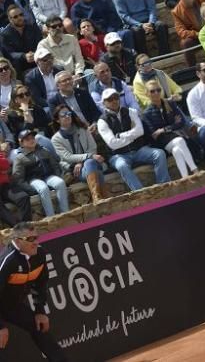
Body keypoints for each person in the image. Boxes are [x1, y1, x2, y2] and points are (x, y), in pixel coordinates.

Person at [0, 222, 68, 360]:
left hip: (12, 306)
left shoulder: (39, 254)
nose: (36, 243)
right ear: (18, 241)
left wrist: (40, 311)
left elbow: (41, 284)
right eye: (30, 239)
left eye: (36, 237)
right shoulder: (7, 261)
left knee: (40, 329)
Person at [51, 103, 110, 203]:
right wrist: (88, 157)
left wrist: (82, 162)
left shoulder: (82, 129)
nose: (67, 116)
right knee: (93, 166)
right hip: (75, 171)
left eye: (68, 113)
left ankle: (98, 198)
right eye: (63, 115)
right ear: (57, 120)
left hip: (90, 165)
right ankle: (103, 196)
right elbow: (68, 157)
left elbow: (93, 148)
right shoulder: (56, 139)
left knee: (89, 163)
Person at [141, 83, 199, 178]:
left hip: (174, 137)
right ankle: (195, 170)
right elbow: (154, 134)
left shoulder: (170, 104)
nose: (156, 93)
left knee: (176, 150)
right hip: (161, 143)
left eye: (158, 90)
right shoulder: (146, 114)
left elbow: (181, 122)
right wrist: (172, 125)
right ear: (147, 94)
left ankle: (185, 177)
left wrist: (163, 129)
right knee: (179, 141)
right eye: (152, 91)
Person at [12, 129, 69, 218]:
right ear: (21, 143)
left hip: (48, 176)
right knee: (43, 188)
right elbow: (18, 178)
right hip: (33, 180)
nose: (31, 140)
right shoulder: (19, 158)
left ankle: (65, 213)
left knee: (60, 182)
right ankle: (51, 217)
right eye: (27, 139)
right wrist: (31, 190)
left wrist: (57, 175)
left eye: (32, 138)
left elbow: (55, 165)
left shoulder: (44, 150)